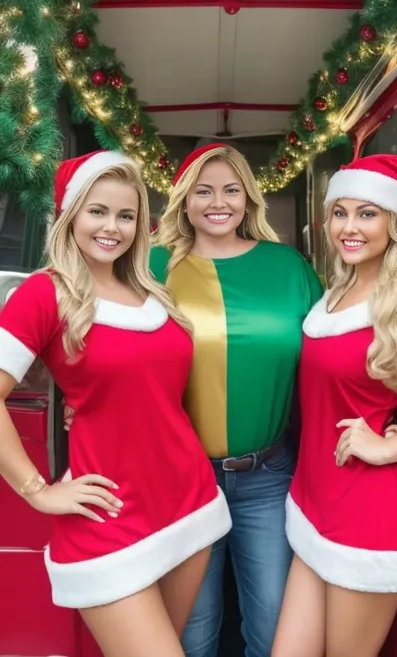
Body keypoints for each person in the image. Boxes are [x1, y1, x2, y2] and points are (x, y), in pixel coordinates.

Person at [0, 151, 231, 657]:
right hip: (109, 514)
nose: (112, 227)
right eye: (97, 211)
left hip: (187, 499)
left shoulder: (150, 290)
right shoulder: (45, 293)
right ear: (71, 215)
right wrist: (37, 490)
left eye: (126, 215)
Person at [271, 154, 397, 657]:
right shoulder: (334, 294)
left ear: (395, 223)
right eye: (340, 212)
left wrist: (388, 448)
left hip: (371, 513)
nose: (349, 227)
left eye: (368, 213)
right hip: (316, 501)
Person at [149, 143, 324, 657]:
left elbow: (332, 354)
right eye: (203, 191)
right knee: (191, 635)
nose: (217, 202)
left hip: (267, 477)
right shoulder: (152, 267)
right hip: (182, 478)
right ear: (184, 201)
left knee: (274, 633)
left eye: (231, 190)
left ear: (249, 199)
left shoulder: (288, 267)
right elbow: (114, 350)